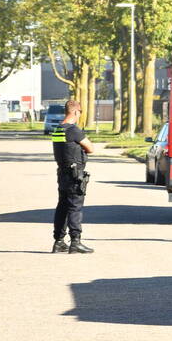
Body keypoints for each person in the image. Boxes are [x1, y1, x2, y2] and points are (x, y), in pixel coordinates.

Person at [51, 99, 95, 254]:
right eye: (80, 112)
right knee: (75, 207)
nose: (80, 115)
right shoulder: (73, 130)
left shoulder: (58, 130)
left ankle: (58, 242)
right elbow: (90, 148)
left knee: (62, 207)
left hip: (62, 173)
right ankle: (75, 242)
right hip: (74, 175)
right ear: (75, 111)